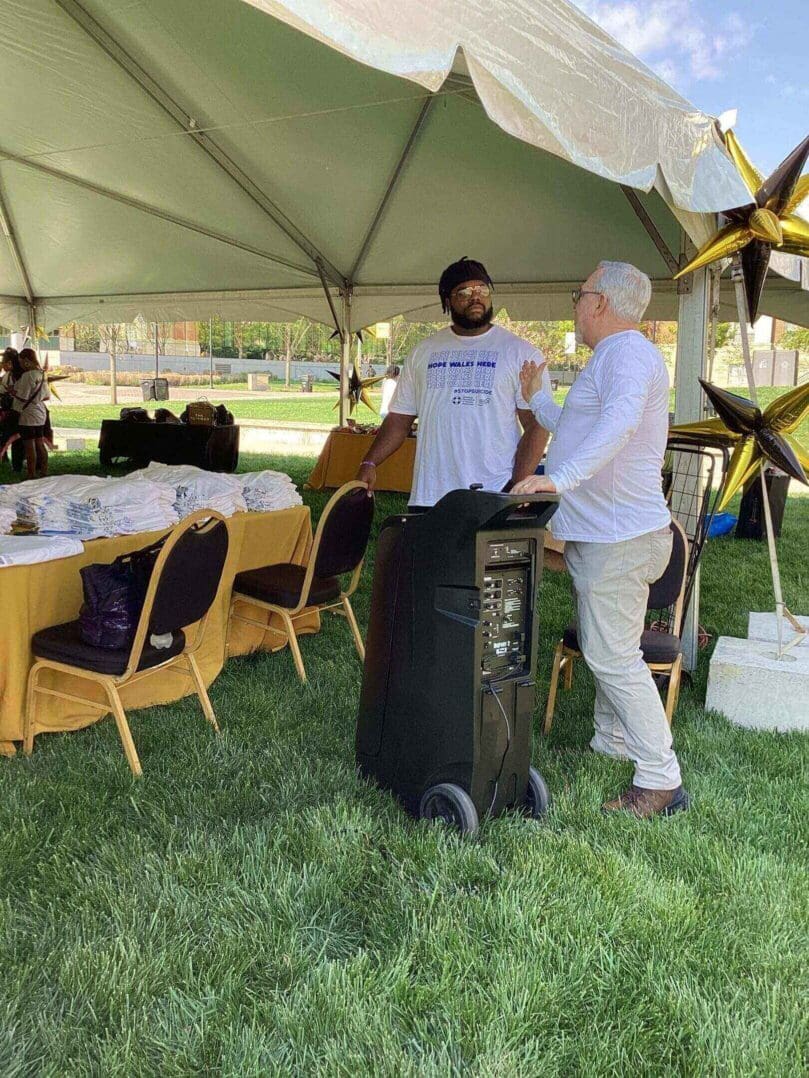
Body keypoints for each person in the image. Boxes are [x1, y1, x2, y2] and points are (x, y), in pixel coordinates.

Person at [513, 261, 688, 820]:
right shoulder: (613, 358)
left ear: (601, 303)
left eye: (579, 293)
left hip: (622, 537)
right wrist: (538, 399)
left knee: (611, 655)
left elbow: (619, 425)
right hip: (610, 535)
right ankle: (612, 741)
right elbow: (577, 426)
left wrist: (558, 478)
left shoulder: (630, 356)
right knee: (614, 646)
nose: (574, 303)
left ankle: (660, 780)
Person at [356, 257, 551, 507]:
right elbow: (399, 419)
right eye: (464, 292)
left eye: (482, 289)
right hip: (430, 496)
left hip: (494, 492)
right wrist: (369, 462)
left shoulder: (521, 354)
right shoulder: (423, 352)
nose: (475, 297)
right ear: (447, 301)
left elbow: (537, 424)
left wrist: (518, 484)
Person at [10, 347, 50, 479]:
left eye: (21, 362)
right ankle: (44, 471)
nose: (21, 365)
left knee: (29, 444)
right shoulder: (42, 374)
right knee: (40, 442)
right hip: (40, 412)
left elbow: (23, 397)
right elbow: (46, 396)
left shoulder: (28, 375)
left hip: (28, 414)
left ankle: (31, 473)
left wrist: (12, 392)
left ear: (27, 361)